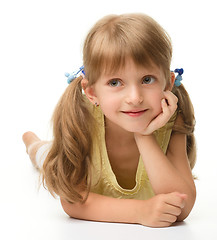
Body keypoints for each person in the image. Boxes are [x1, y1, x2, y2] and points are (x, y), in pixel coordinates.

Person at [22, 13, 196, 228]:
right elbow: (72, 201)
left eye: (147, 79)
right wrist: (140, 212)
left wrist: (144, 135)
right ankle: (32, 144)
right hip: (62, 158)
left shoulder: (172, 118)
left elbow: (182, 205)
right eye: (115, 82)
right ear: (91, 92)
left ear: (168, 83)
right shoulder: (82, 118)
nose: (134, 98)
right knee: (45, 156)